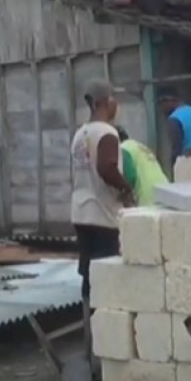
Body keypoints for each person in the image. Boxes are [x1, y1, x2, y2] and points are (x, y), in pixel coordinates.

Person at [70, 80, 135, 301]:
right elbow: (106, 168)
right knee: (106, 277)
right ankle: (104, 329)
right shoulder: (107, 133)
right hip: (103, 215)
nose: (117, 105)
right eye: (114, 99)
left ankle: (90, 325)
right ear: (106, 102)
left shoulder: (80, 134)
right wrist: (126, 188)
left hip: (81, 212)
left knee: (88, 276)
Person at [117, 127, 171, 207]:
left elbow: (129, 176)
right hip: (165, 191)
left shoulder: (123, 148)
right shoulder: (138, 146)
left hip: (147, 196)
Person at [159, 89, 191, 169]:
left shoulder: (174, 119)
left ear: (169, 101)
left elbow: (177, 147)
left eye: (161, 104)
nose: (161, 109)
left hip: (188, 162)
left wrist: (174, 165)